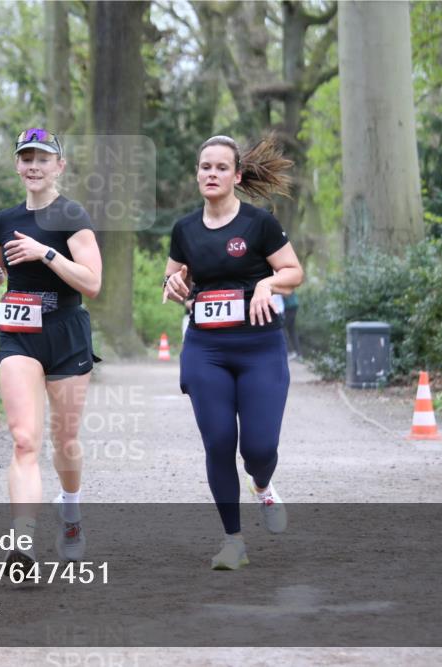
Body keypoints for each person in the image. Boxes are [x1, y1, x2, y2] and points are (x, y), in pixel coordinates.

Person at [163, 135, 303, 570]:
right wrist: (173, 286)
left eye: (221, 167)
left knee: (259, 447)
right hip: (207, 348)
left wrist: (266, 283)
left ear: (237, 176)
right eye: (205, 166)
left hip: (259, 345)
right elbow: (174, 279)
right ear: (197, 173)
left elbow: (293, 271)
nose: (211, 174)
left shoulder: (259, 224)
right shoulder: (184, 229)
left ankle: (262, 485)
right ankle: (233, 542)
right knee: (219, 442)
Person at [0, 128, 102, 572]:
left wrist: (46, 253)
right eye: (26, 158)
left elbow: (93, 283)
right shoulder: (3, 220)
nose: (33, 165)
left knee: (64, 441)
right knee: (25, 440)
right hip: (19, 334)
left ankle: (70, 513)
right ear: (16, 165)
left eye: (42, 159)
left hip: (66, 333)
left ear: (58, 167)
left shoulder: (72, 216)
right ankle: (23, 543)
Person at [283, 291, 302, 359]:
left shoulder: (281, 282)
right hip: (293, 305)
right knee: (291, 329)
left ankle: (290, 351)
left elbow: (285, 294)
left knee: (283, 328)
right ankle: (298, 352)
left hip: (289, 306)